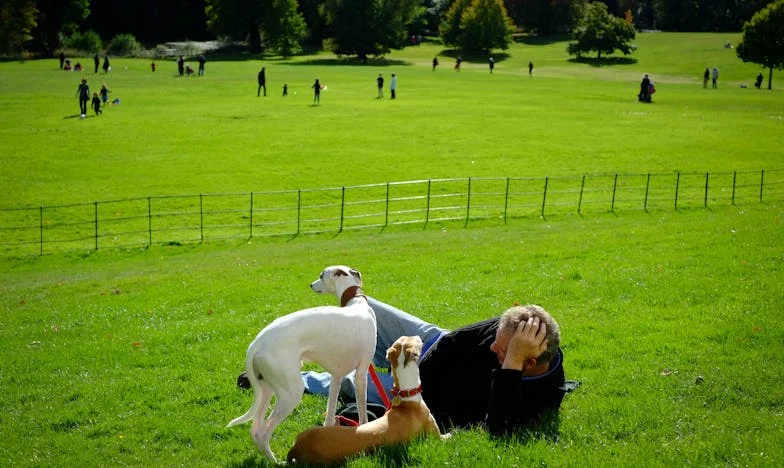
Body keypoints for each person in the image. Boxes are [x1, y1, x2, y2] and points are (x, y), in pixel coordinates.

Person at [239, 298, 567, 436]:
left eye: (503, 351)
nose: (493, 347)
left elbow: (500, 428)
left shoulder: (543, 395)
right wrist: (420, 357)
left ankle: (302, 375)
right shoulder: (513, 332)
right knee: (364, 306)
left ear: (529, 362)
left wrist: (508, 365)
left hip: (420, 396)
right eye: (497, 339)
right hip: (432, 345)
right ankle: (291, 342)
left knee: (357, 381)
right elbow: (455, 340)